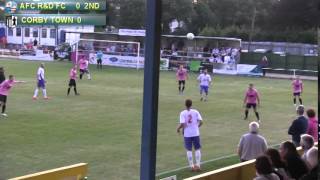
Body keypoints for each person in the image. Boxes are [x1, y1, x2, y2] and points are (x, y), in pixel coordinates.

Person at [177, 99, 203, 172]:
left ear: (185, 105)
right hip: (195, 133)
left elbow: (183, 124)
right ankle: (198, 165)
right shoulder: (195, 111)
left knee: (189, 150)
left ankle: (191, 166)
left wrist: (178, 129)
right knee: (197, 149)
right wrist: (196, 127)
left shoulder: (182, 113)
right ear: (191, 104)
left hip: (187, 134)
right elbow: (201, 122)